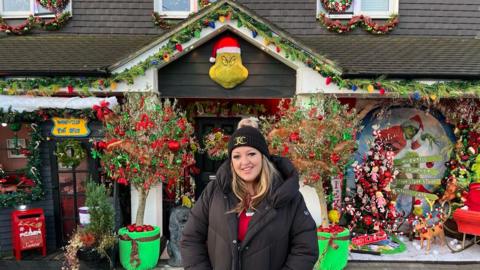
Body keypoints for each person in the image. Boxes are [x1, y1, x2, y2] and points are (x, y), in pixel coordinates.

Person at [181, 126, 318, 270]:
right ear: (231, 161)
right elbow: (191, 239)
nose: (244, 162)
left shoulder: (287, 195)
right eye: (237, 156)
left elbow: (305, 249)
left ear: (263, 156)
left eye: (251, 154)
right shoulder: (214, 192)